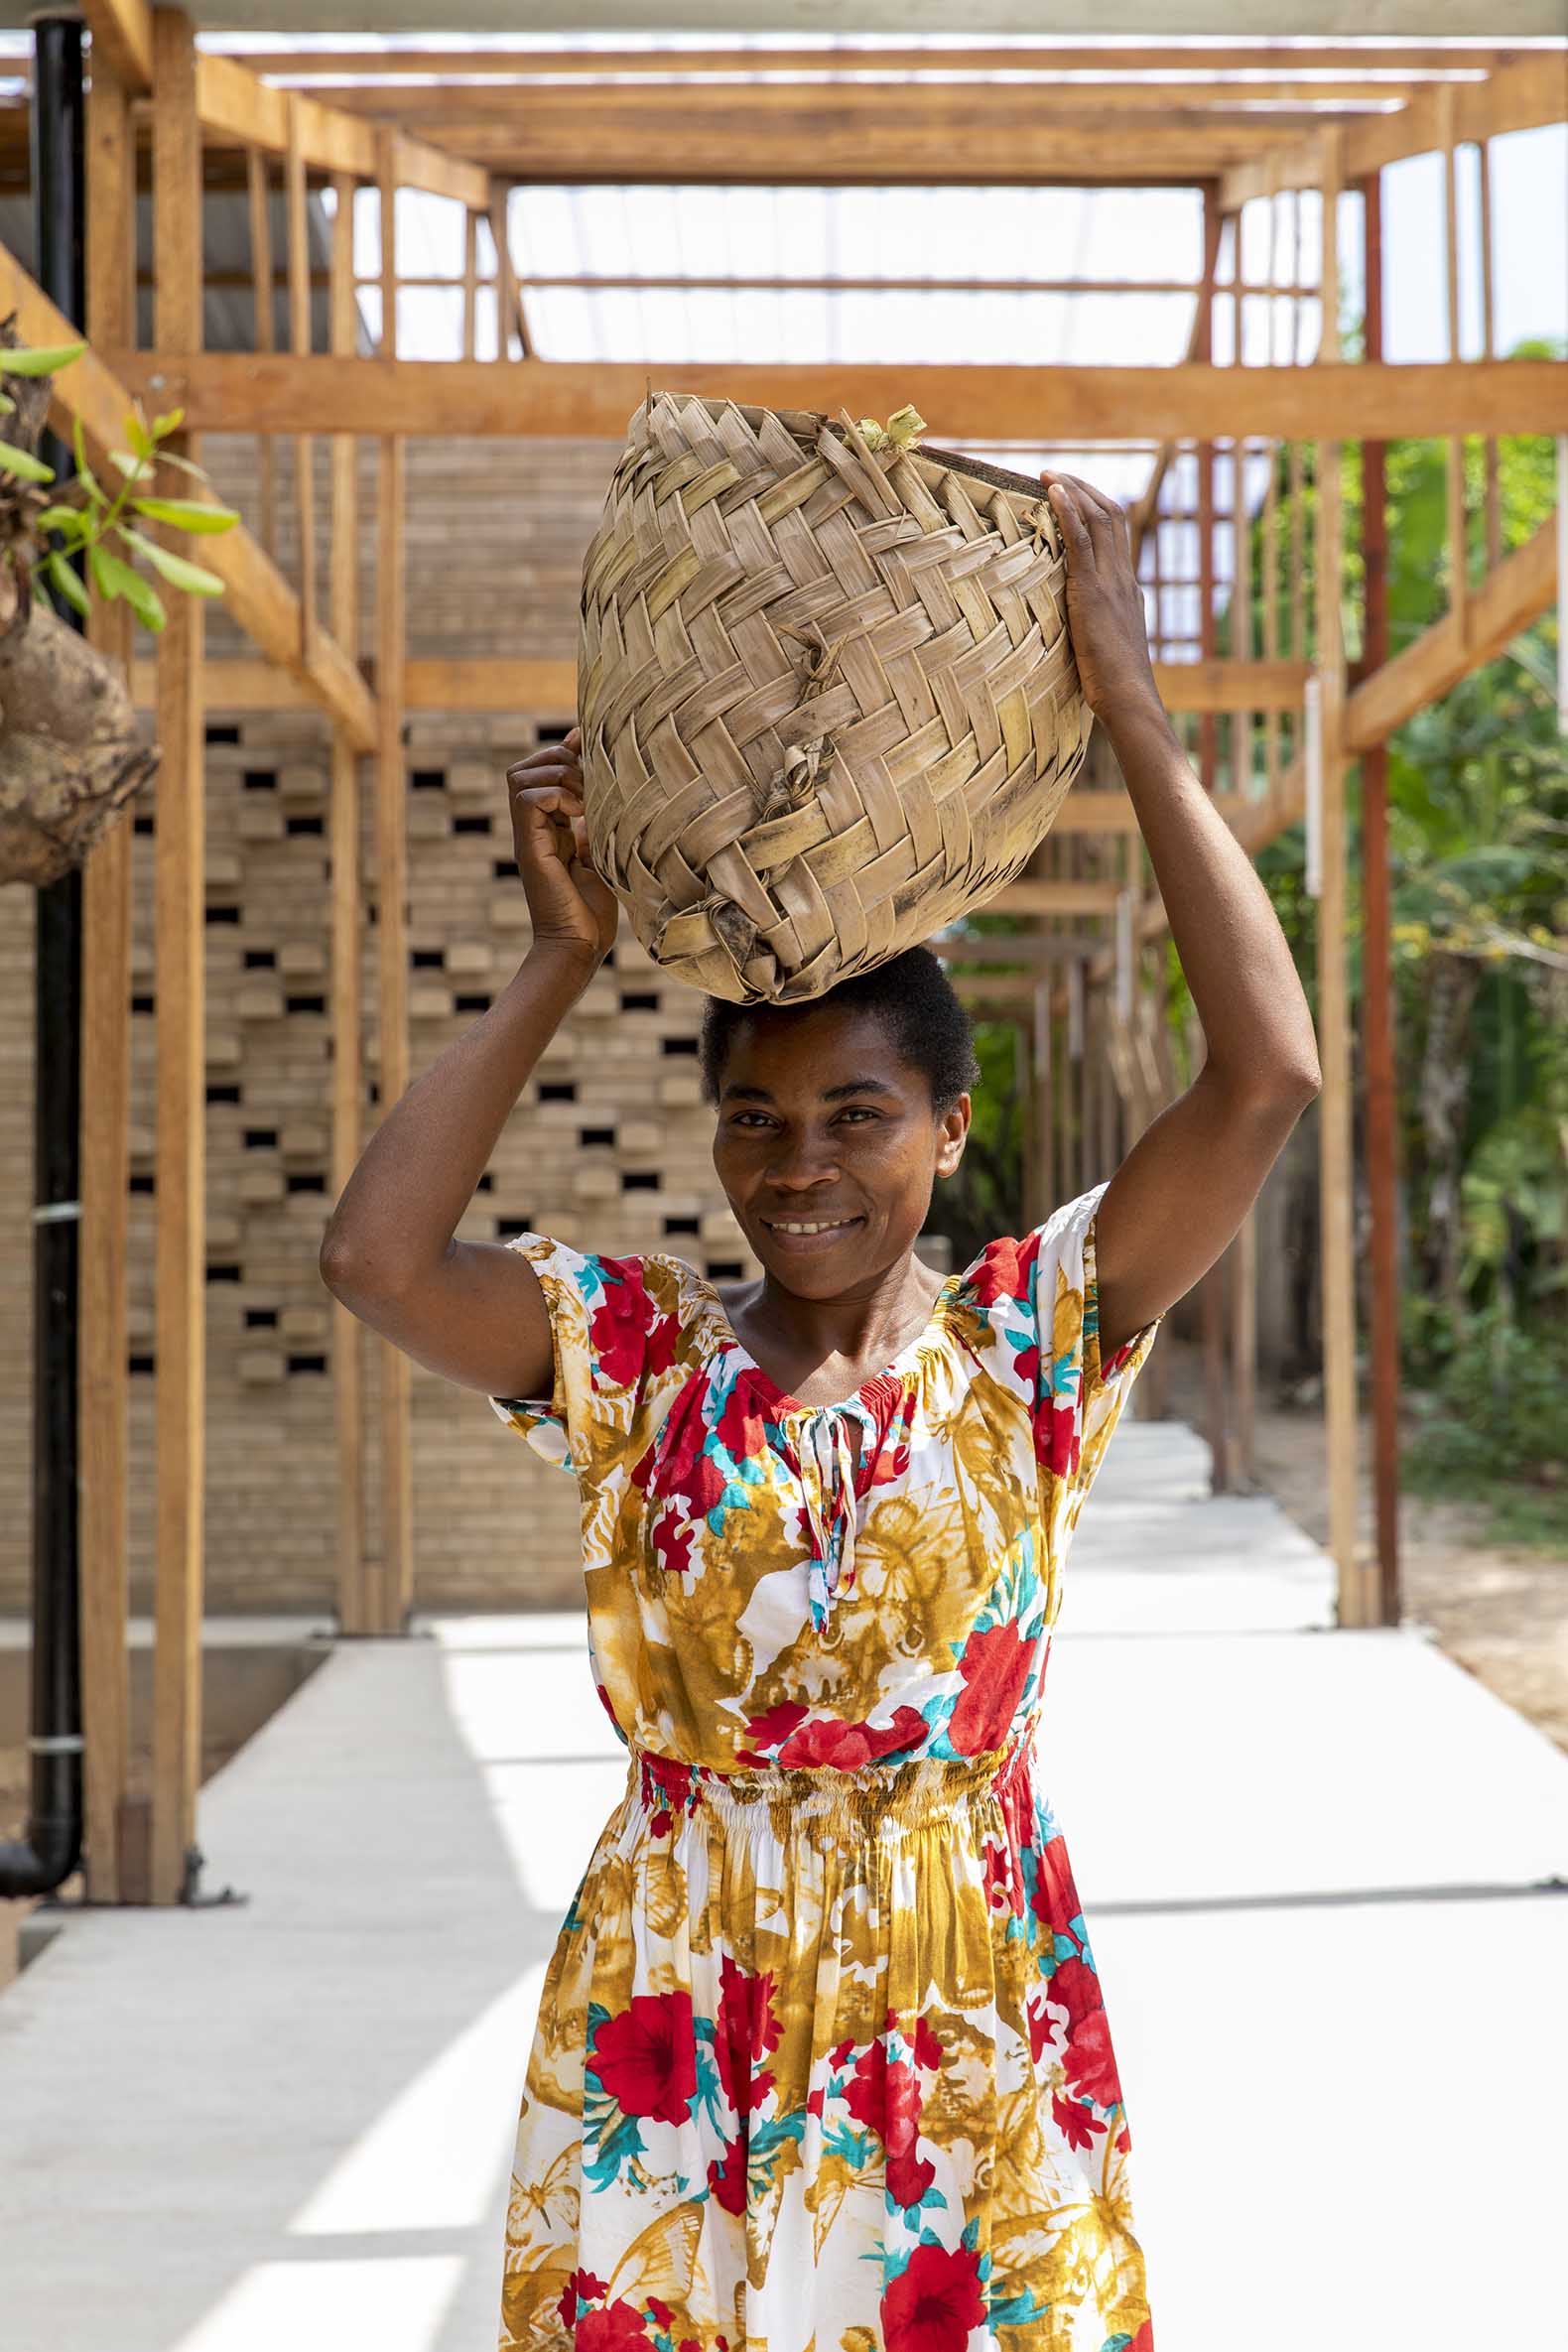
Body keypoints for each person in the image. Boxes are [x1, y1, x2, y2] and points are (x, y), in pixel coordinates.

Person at [320, 468, 1321, 2351]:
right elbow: (377, 1260)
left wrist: (1130, 704)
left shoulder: (1036, 1343)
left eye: (857, 1115)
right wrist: (560, 955)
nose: (800, 1168)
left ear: (949, 1131)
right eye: (757, 1120)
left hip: (967, 2014)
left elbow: (1267, 1070)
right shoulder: (635, 1369)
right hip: (678, 2009)